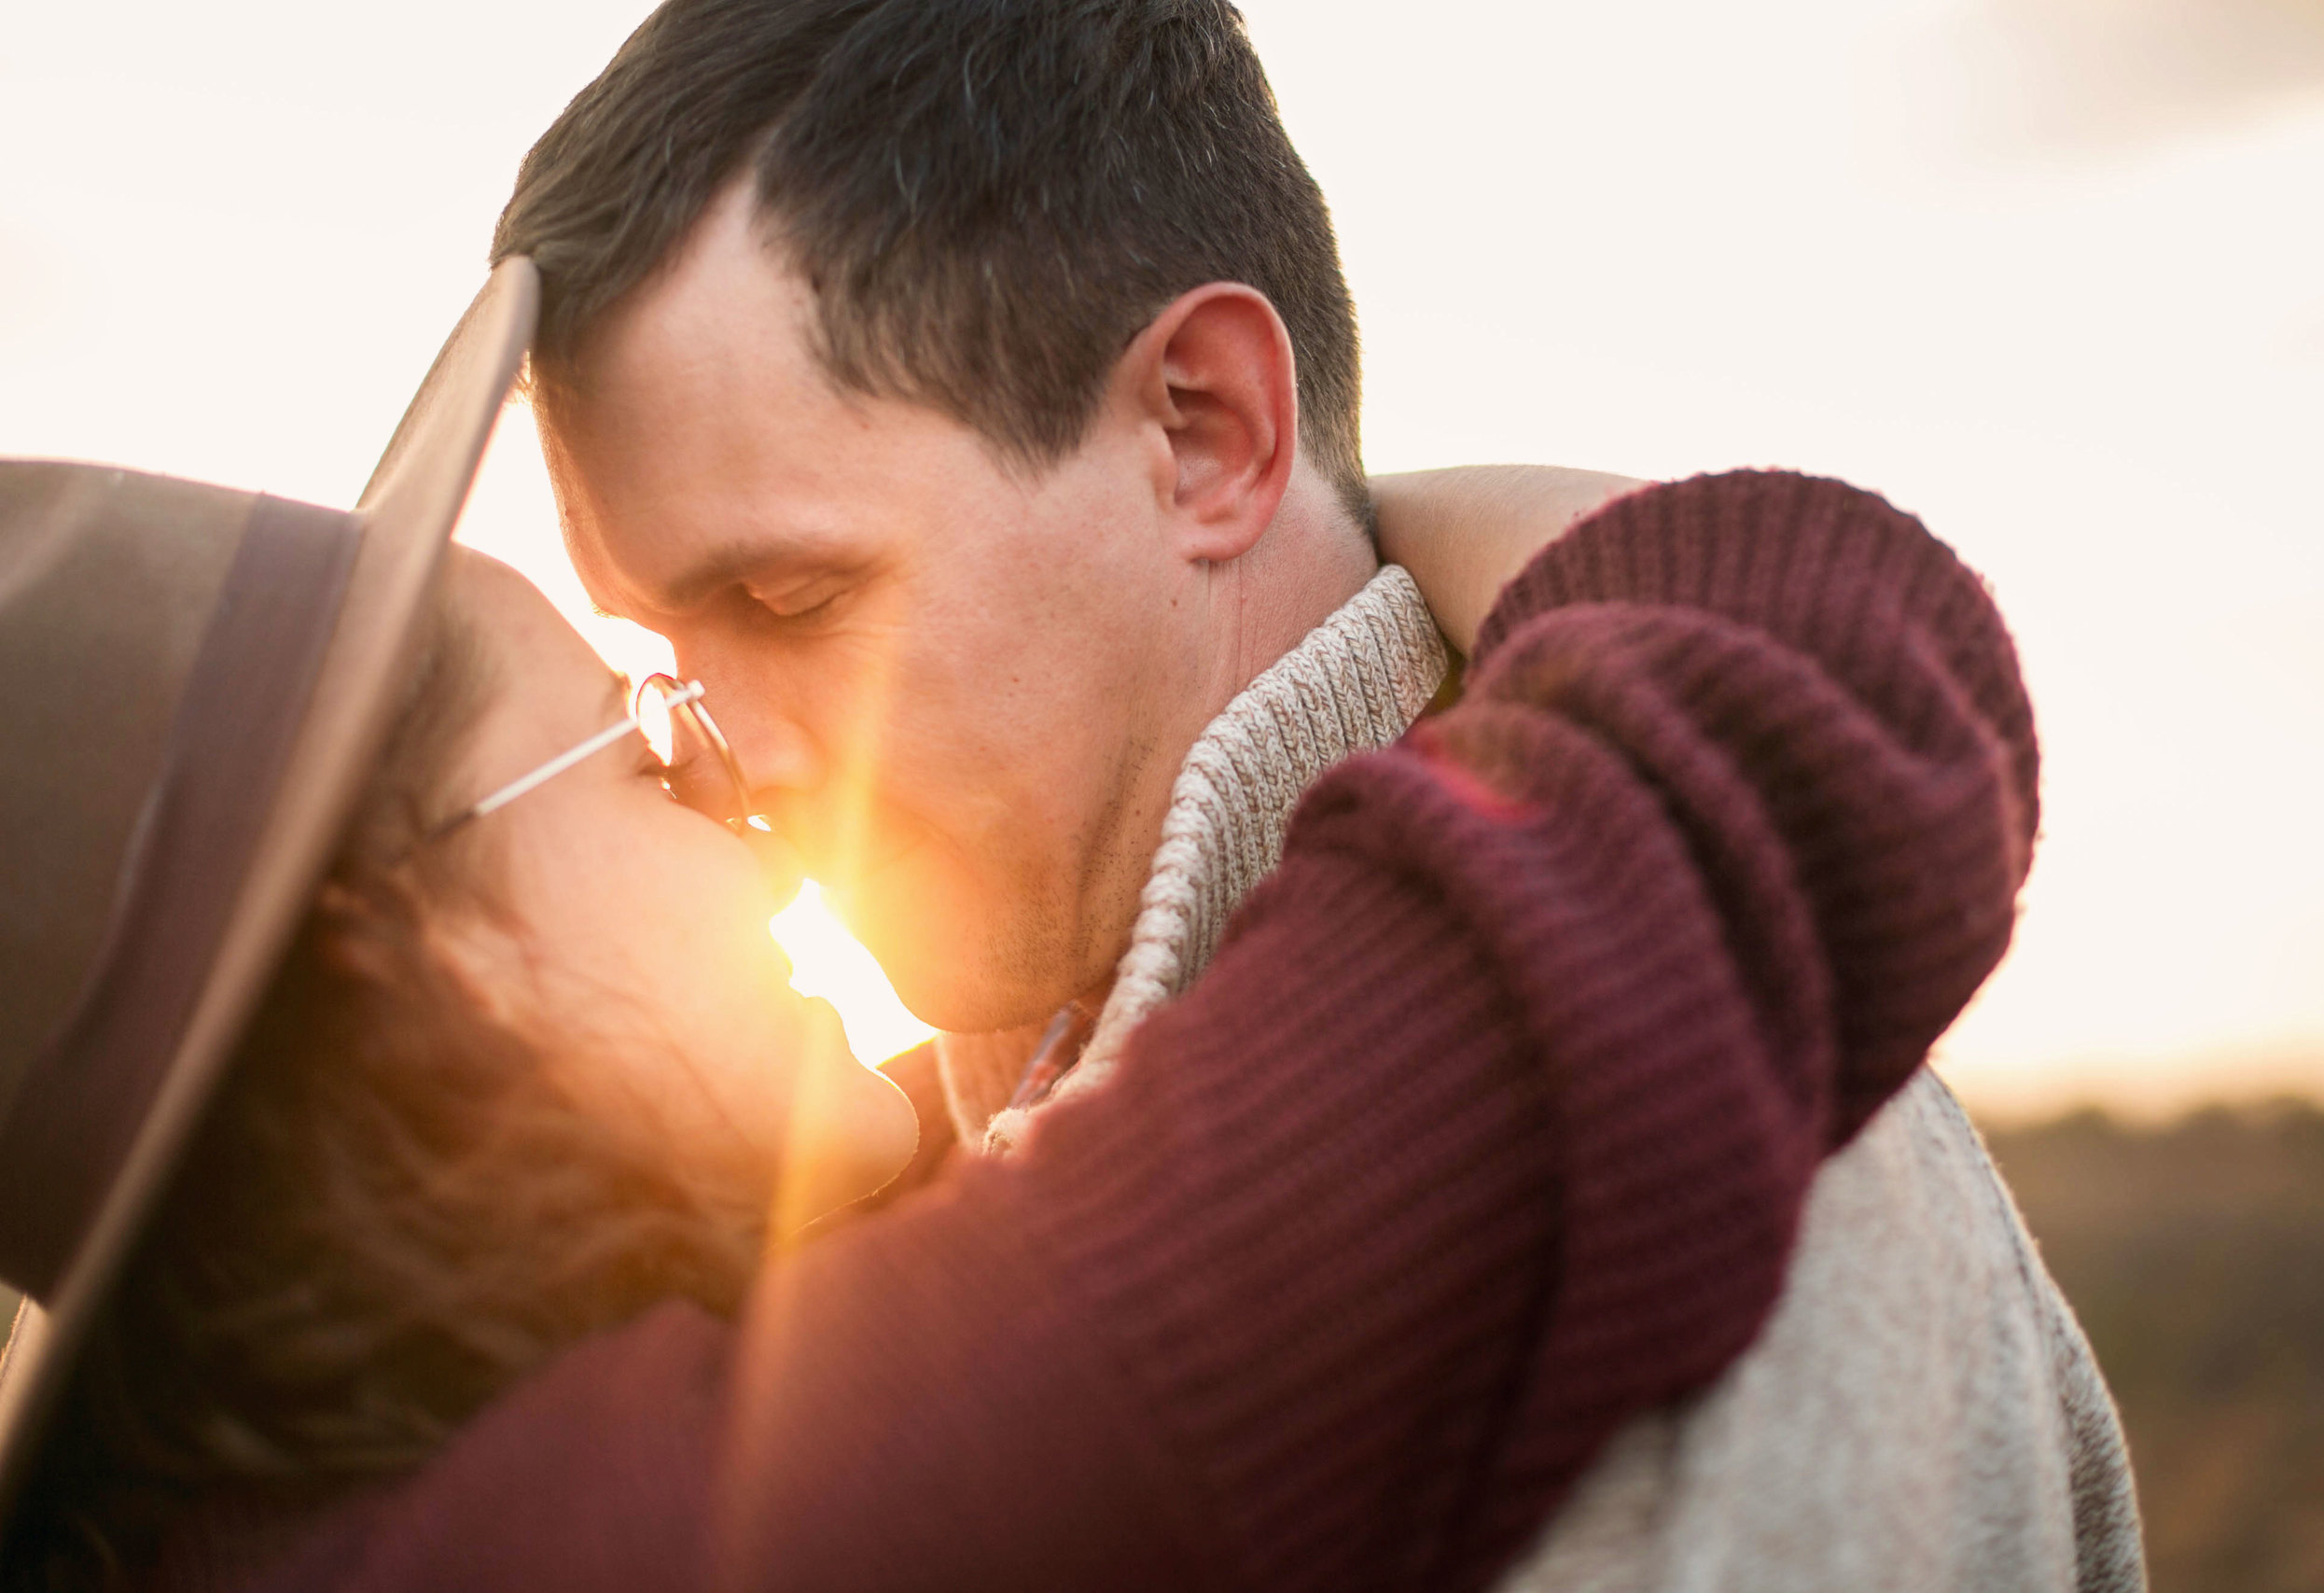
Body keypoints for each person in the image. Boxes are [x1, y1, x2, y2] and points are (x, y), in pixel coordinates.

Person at [5, 263, 2017, 1586]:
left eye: (777, 620)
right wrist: (1338, 514)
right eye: (636, 749)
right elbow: (1806, 683)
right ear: (420, 959)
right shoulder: (748, 1516)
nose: (751, 796)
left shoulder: (298, 1502)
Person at [494, 0, 2146, 1586]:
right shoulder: (980, 1143)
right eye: (669, 657)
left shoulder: (1670, 1178)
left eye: (794, 603)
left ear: (1206, 431)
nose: (730, 764)